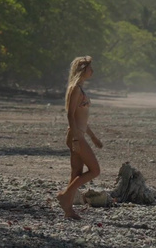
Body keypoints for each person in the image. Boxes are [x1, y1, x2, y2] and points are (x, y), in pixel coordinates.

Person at [56, 55, 103, 219]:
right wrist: (76, 139)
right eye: (90, 68)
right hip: (75, 135)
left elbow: (82, 119)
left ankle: (68, 210)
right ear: (83, 70)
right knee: (95, 170)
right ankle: (65, 195)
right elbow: (70, 115)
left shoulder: (80, 88)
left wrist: (94, 138)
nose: (92, 71)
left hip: (79, 133)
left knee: (76, 172)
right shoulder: (74, 88)